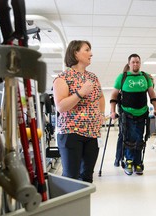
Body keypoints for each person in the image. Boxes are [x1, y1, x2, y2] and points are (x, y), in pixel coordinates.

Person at [53, 40, 105, 183]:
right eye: (87, 50)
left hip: (92, 133)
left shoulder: (93, 77)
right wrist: (81, 93)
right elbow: (61, 106)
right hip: (71, 133)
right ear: (75, 53)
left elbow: (100, 97)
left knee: (87, 176)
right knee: (71, 177)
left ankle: (83, 205)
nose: (91, 53)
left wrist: (101, 114)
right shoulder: (63, 78)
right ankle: (69, 204)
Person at [110, 53, 156, 176]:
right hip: (127, 114)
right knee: (129, 138)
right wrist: (112, 111)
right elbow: (114, 95)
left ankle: (138, 162)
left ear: (140, 63)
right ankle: (129, 161)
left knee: (139, 138)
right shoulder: (122, 77)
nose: (135, 64)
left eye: (138, 62)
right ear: (129, 63)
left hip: (142, 113)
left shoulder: (145, 77)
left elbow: (152, 94)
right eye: (133, 62)